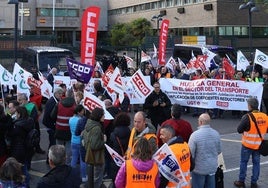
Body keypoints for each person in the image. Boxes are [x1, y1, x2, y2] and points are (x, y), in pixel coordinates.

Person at [234, 97, 268, 188]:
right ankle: (254, 182)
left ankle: (241, 181)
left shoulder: (247, 117)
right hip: (258, 145)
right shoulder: (265, 116)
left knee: (243, 162)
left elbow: (239, 130)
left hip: (247, 145)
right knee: (256, 163)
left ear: (250, 106)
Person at [188, 113, 221, 188]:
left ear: (201, 122)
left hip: (199, 169)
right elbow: (219, 151)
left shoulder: (194, 135)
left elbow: (190, 154)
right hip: (212, 168)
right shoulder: (216, 134)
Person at [7, 106, 35, 187]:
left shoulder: (17, 125)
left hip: (18, 150)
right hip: (27, 148)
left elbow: (10, 135)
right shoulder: (29, 121)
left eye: (16, 112)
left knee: (22, 169)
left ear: (19, 114)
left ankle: (25, 184)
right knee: (25, 166)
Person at [51, 89, 76, 164]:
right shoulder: (75, 106)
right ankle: (67, 164)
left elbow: (52, 116)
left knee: (58, 148)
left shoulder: (59, 104)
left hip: (59, 129)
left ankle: (58, 163)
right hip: (69, 130)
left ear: (66, 94)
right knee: (68, 148)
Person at [83, 107, 106, 188]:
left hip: (90, 156)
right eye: (103, 115)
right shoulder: (97, 128)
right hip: (97, 157)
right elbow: (94, 145)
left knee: (92, 177)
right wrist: (104, 141)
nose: (104, 117)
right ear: (99, 116)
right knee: (97, 178)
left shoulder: (89, 124)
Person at [108, 112, 131, 185]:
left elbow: (109, 148)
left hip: (116, 160)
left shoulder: (113, 134)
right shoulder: (131, 133)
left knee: (116, 180)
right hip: (128, 159)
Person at [69, 104, 87, 183]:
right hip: (81, 141)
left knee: (74, 159)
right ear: (79, 112)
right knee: (83, 160)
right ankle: (84, 176)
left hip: (73, 141)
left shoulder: (71, 119)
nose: (84, 112)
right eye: (83, 111)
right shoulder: (81, 120)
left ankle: (71, 175)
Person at [42, 87, 64, 153]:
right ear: (55, 93)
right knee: (53, 143)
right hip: (50, 125)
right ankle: (49, 158)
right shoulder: (52, 102)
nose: (61, 95)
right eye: (59, 93)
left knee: (53, 142)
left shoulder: (54, 100)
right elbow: (49, 115)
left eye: (62, 94)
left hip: (50, 124)